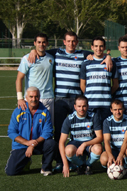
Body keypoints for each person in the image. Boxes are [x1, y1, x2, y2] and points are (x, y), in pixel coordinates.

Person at [27, 31, 112, 171]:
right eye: (69, 41)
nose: (71, 44)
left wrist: (108, 56)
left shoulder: (83, 55)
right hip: (60, 99)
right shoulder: (56, 53)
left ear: (77, 42)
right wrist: (32, 50)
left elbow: (98, 52)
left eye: (74, 41)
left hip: (76, 100)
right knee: (59, 132)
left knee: (82, 130)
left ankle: (80, 159)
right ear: (64, 42)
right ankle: (60, 161)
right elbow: (40, 49)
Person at [6, 87, 55, 176]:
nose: (34, 99)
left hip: (38, 144)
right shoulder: (18, 111)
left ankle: (45, 168)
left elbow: (48, 132)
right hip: (22, 145)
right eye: (31, 96)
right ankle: (26, 162)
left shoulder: (44, 111)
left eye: (36, 96)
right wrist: (27, 143)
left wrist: (32, 145)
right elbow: (11, 132)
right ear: (26, 97)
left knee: (51, 143)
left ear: (39, 97)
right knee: (10, 172)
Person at [58, 95, 103, 177]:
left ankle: (88, 164)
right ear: (74, 107)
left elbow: (100, 137)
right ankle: (81, 165)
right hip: (75, 143)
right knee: (68, 151)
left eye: (84, 106)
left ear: (88, 106)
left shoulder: (94, 116)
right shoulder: (69, 119)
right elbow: (61, 142)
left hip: (89, 143)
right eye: (79, 106)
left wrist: (84, 144)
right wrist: (65, 164)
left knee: (98, 149)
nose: (81, 109)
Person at [80, 37, 119, 122]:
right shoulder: (85, 63)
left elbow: (115, 85)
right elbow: (82, 85)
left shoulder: (111, 63)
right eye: (96, 46)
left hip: (105, 105)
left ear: (104, 48)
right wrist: (89, 96)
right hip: (90, 105)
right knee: (91, 132)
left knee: (105, 133)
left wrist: (106, 94)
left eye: (101, 46)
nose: (98, 49)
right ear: (92, 47)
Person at [16, 33, 54, 118]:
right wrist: (20, 98)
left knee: (47, 126)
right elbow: (19, 78)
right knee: (31, 126)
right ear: (34, 43)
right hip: (32, 98)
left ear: (47, 43)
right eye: (39, 42)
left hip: (48, 98)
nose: (41, 44)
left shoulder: (51, 58)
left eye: (43, 42)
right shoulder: (27, 58)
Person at [100, 100, 127, 176]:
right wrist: (110, 155)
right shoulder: (107, 121)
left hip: (125, 149)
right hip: (113, 149)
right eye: (115, 110)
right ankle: (114, 166)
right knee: (103, 160)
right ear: (111, 110)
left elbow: (126, 140)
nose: (117, 112)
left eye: (119, 109)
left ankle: (126, 167)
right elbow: (106, 141)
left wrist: (120, 155)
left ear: (123, 109)